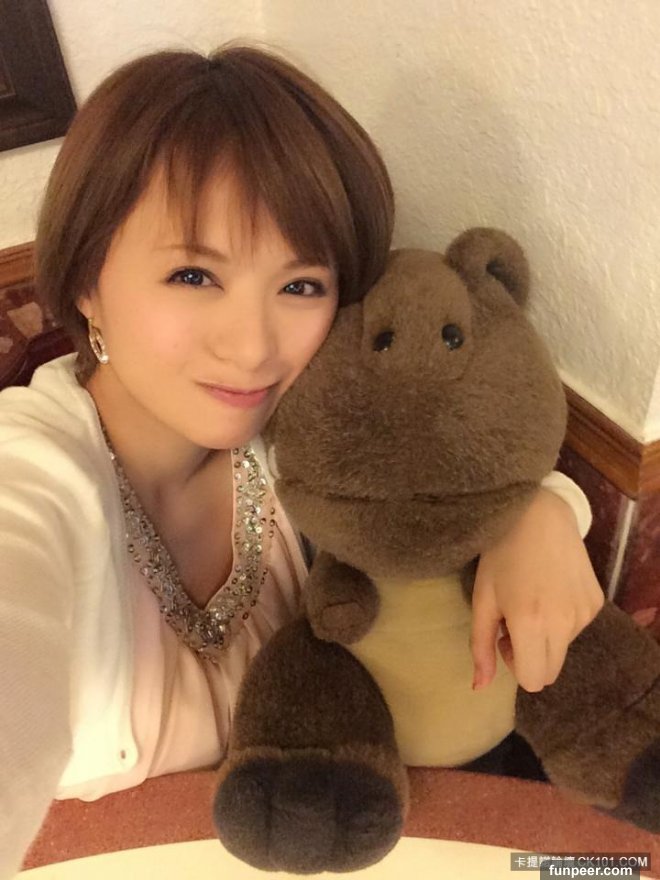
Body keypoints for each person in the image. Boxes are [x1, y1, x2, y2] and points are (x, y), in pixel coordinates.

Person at [0, 44, 603, 877]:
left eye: (300, 286)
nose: (253, 347)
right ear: (87, 282)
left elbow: (438, 453)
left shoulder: (304, 431)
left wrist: (539, 511)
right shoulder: (31, 470)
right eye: (192, 275)